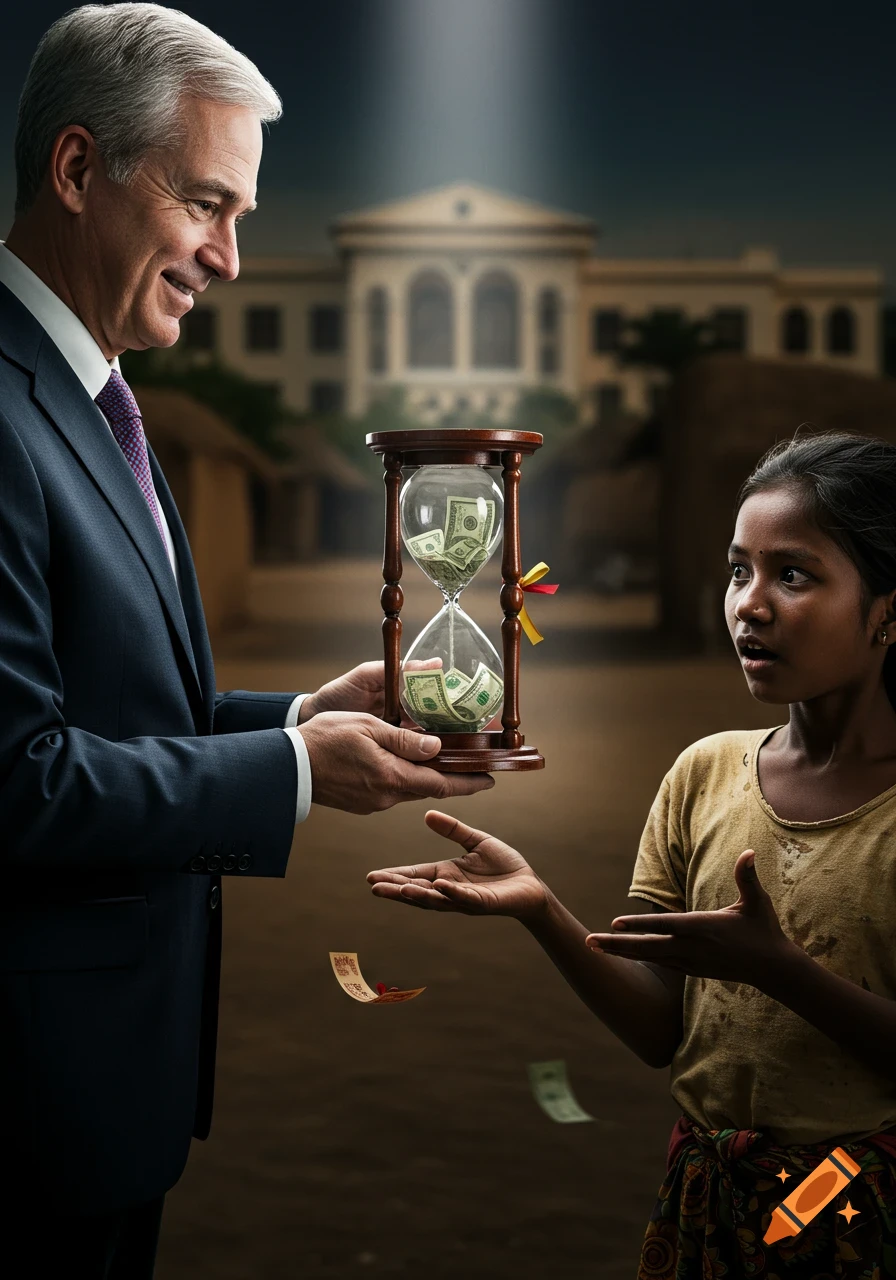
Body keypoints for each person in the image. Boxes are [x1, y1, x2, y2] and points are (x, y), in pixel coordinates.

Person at [0, 5, 492, 1276]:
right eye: (205, 204)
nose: (228, 256)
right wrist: (298, 774)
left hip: (110, 1085)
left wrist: (290, 716)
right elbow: (15, 775)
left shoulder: (96, 394)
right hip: (25, 1111)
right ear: (75, 170)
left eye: (242, 219)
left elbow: (106, 704)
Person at [369, 430, 896, 1278]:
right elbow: (662, 1031)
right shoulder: (706, 773)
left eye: (792, 575)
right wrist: (541, 908)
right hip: (708, 1196)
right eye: (737, 570)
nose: (748, 605)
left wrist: (781, 970)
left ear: (888, 610)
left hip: (856, 1208)